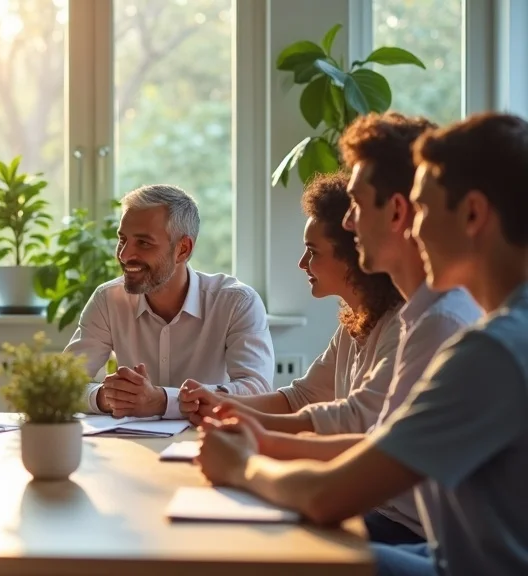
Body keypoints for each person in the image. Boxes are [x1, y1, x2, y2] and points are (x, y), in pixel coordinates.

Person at [195, 112, 528, 576]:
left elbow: (326, 496)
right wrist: (264, 442)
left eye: (423, 210)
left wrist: (243, 465)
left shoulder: (489, 350)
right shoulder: (495, 333)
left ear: (473, 214)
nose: (413, 229)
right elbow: (380, 443)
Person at [179, 173, 403, 434]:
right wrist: (220, 404)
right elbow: (300, 398)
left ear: (352, 256)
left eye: (313, 251)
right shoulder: (352, 326)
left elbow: (359, 421)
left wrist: (241, 420)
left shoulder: (399, 326)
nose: (302, 263)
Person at [64, 184, 275, 420]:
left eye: (143, 243)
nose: (124, 255)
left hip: (209, 436)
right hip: (129, 439)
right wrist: (107, 397)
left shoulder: (236, 302)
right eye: (122, 240)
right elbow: (61, 385)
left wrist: (163, 401)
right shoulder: (108, 300)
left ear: (183, 249)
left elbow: (257, 390)